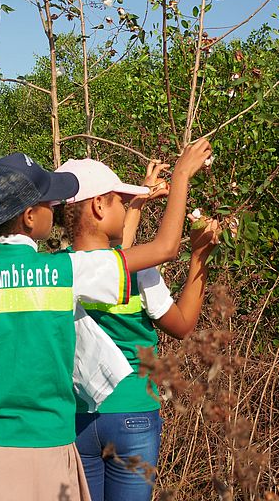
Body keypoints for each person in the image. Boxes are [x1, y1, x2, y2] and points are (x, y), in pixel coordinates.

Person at [0, 141, 212, 501]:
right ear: (28, 217)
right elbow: (164, 248)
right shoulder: (62, 272)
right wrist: (181, 176)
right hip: (47, 448)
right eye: (47, 203)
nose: (54, 209)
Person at [56, 158, 221, 500]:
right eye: (119, 200)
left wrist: (136, 205)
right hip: (132, 415)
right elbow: (183, 325)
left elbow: (109, 257)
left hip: (75, 417)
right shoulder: (136, 273)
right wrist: (199, 255)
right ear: (99, 205)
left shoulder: (57, 272)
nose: (124, 206)